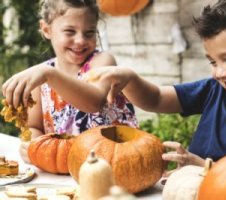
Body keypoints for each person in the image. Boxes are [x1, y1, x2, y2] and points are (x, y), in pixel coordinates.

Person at [83, 0, 226, 167]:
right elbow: (157, 98)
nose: (219, 72)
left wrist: (204, 168)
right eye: (212, 62)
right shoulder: (213, 90)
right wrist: (128, 77)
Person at [1, 0, 138, 163]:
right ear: (46, 29)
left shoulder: (102, 62)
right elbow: (34, 127)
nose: (80, 40)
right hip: (67, 170)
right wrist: (31, 144)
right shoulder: (43, 77)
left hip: (116, 163)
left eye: (89, 33)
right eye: (70, 31)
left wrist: (49, 75)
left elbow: (95, 102)